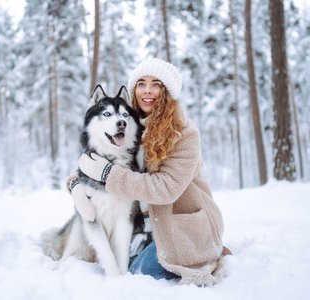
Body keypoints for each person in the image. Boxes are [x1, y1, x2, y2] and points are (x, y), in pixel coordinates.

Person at [69, 58, 229, 286]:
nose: (148, 91)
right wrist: (75, 184)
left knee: (138, 274)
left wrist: (107, 175)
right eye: (141, 83)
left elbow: (166, 189)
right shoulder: (126, 123)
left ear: (167, 91)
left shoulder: (185, 133)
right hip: (142, 227)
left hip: (178, 228)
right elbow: (93, 162)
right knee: (108, 260)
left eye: (156, 84)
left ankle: (206, 249)